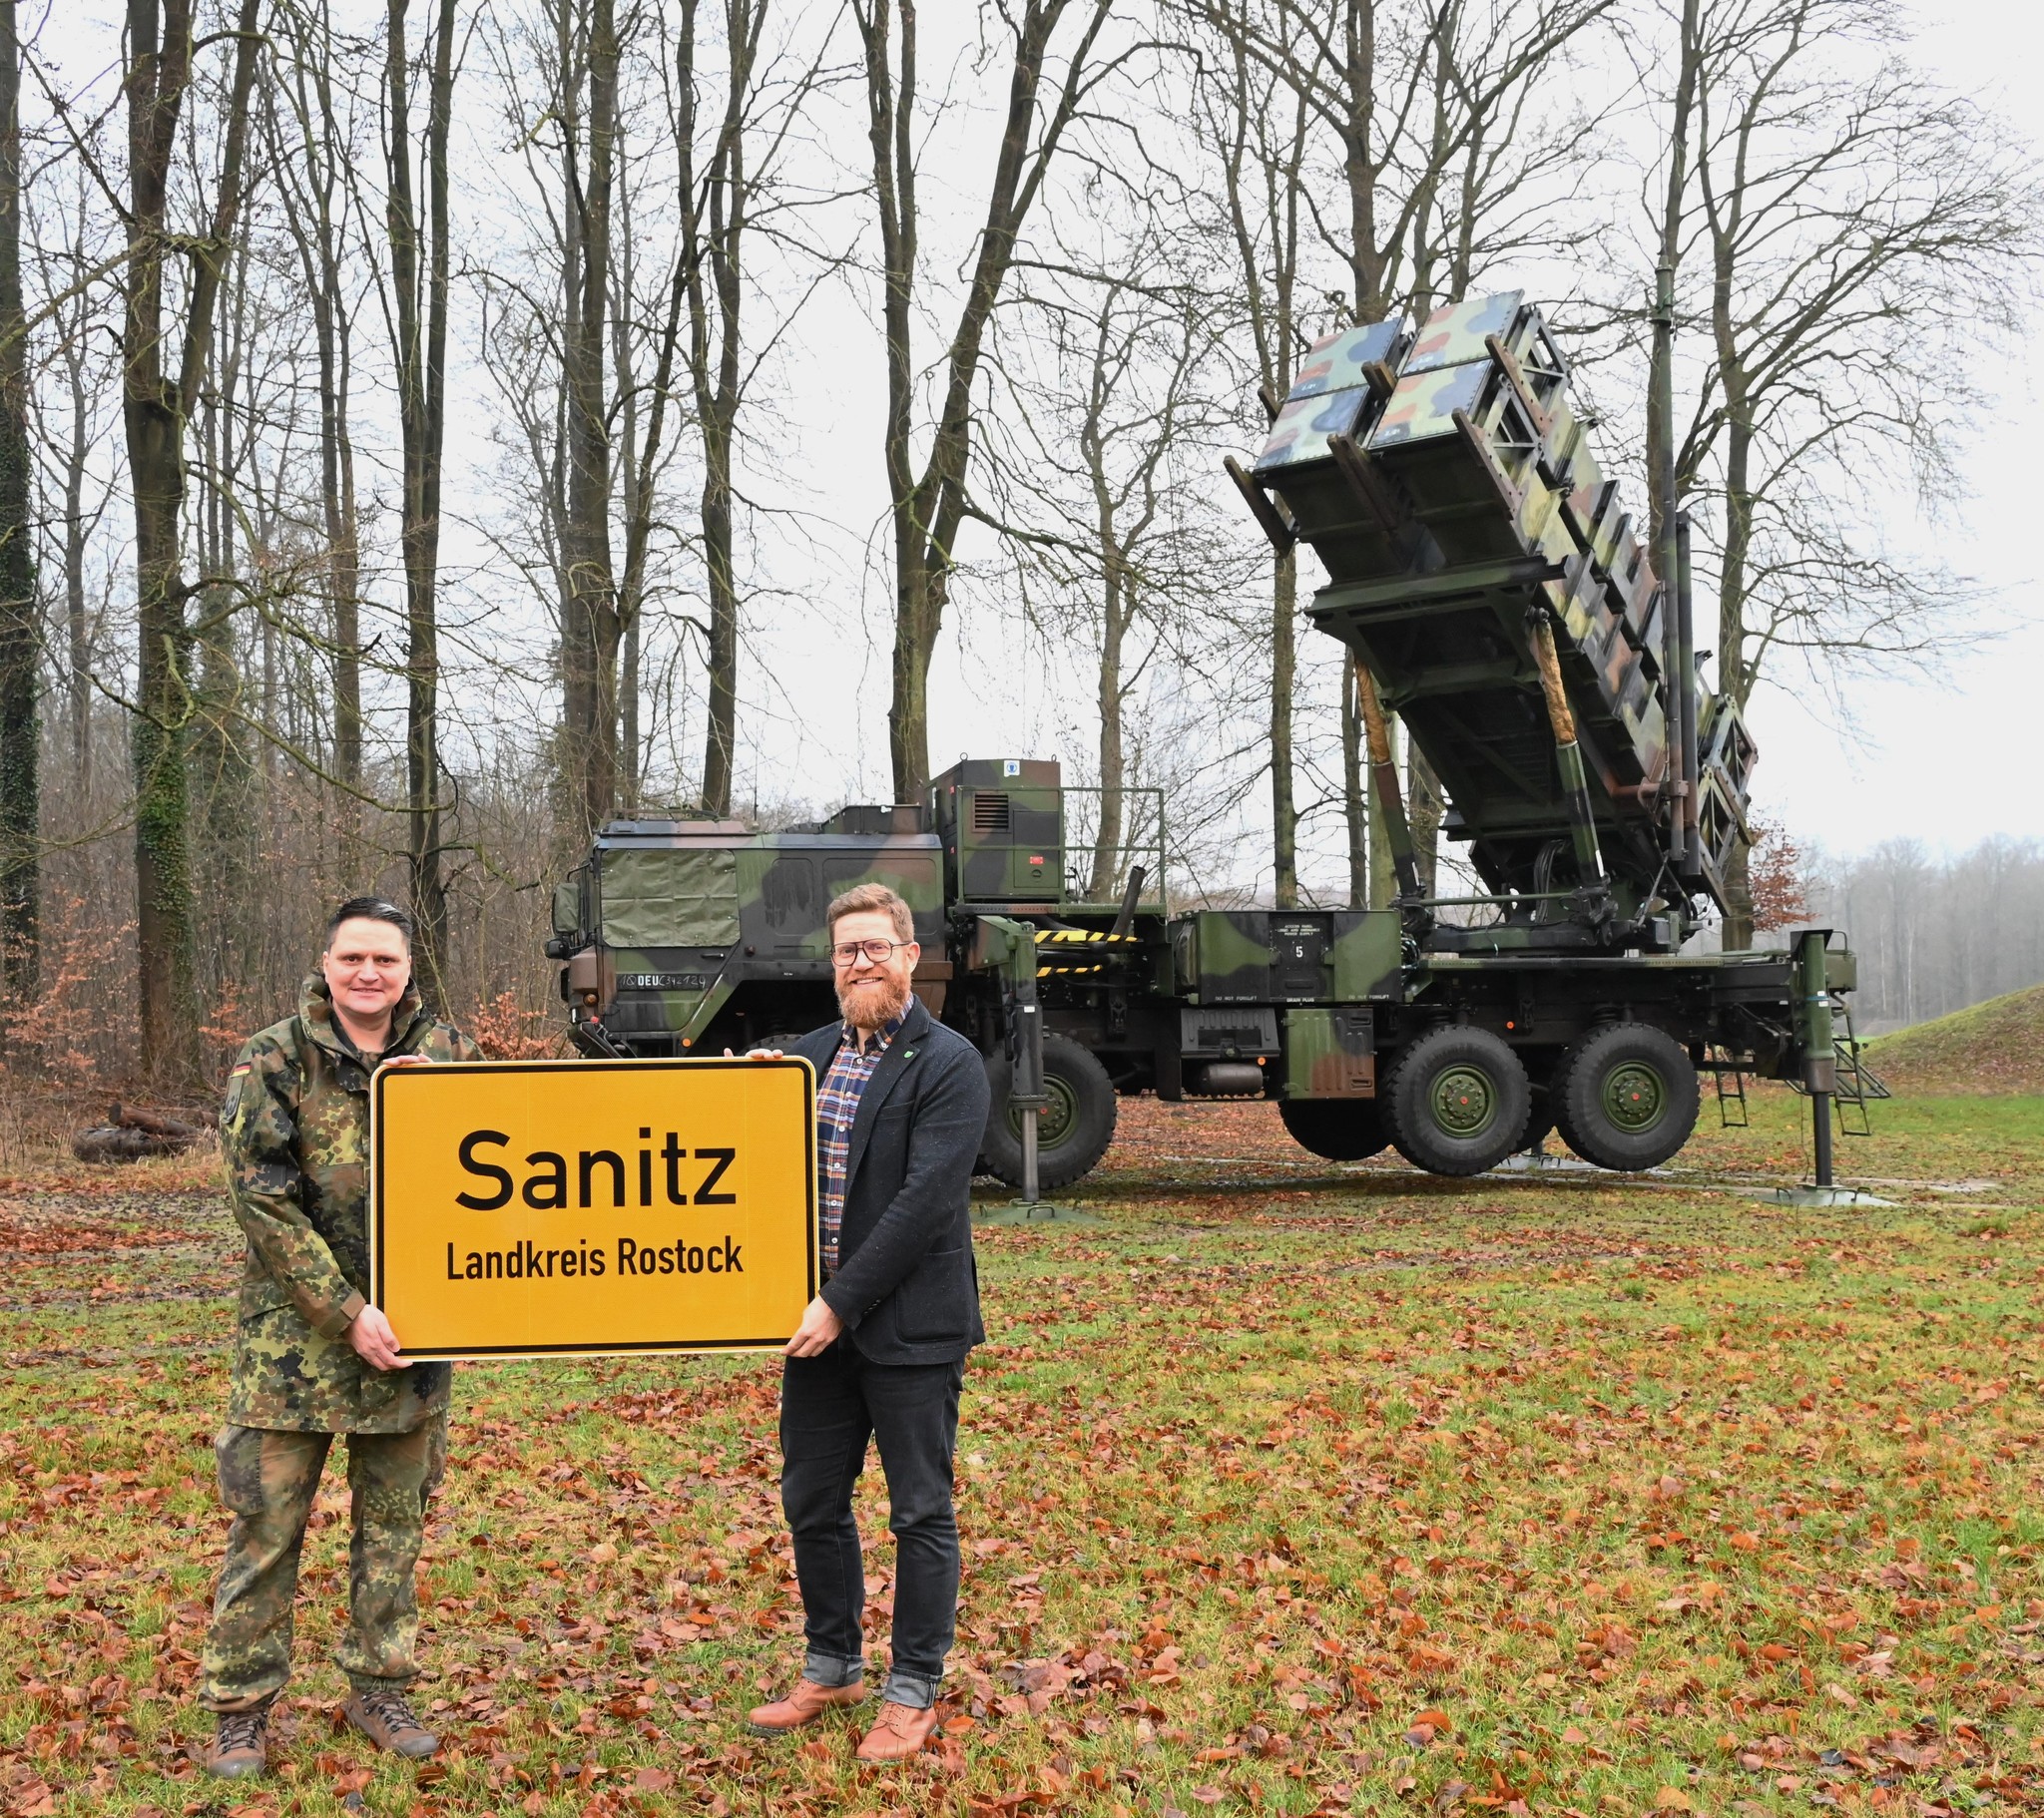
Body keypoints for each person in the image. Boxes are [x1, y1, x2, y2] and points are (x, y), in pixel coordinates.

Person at [198, 898, 479, 1780]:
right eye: (352, 958)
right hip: (294, 1349)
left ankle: (380, 1686)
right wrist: (346, 1310)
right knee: (266, 1531)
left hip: (413, 1341)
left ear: (407, 971)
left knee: (393, 1533)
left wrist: (477, 1309)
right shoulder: (272, 1058)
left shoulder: (447, 1054)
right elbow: (263, 1200)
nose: (368, 975)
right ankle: (241, 1707)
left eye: (385, 961)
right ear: (325, 964)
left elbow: (508, 1173)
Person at [746, 883, 992, 1762]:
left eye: (876, 948)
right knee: (812, 1501)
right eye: (847, 950)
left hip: (907, 1328)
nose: (861, 963)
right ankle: (833, 1663)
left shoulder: (949, 1061)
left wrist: (839, 1301)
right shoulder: (805, 1057)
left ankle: (912, 1689)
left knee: (919, 1511)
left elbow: (926, 1203)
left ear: (910, 956)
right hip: (815, 1330)